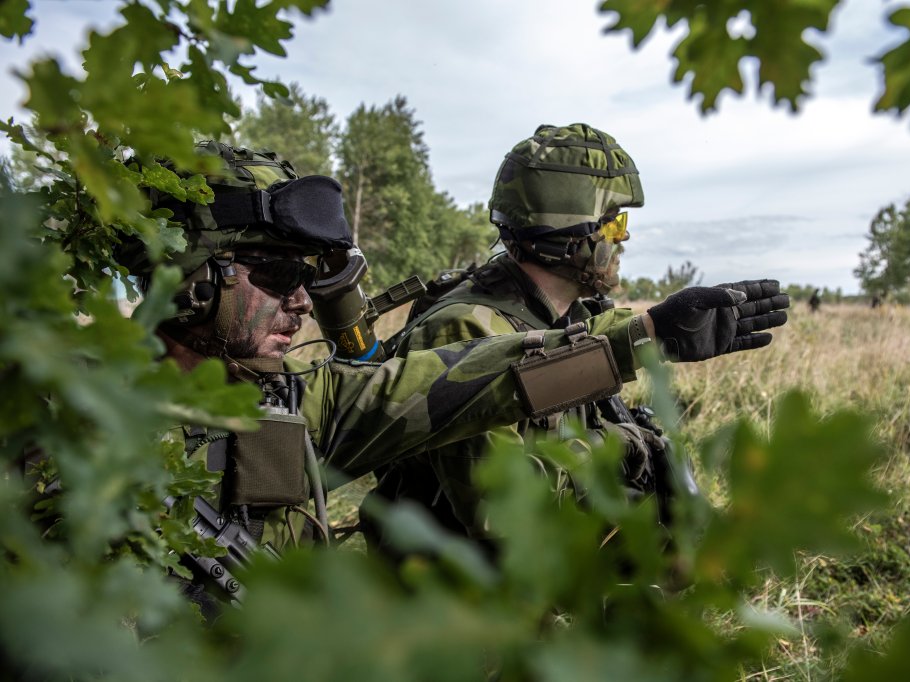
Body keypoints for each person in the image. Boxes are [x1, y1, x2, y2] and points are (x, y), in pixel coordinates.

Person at [119, 140, 788, 609]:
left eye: (309, 278)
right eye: (278, 274)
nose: (301, 301)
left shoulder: (297, 402)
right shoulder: (71, 434)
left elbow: (476, 381)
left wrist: (644, 337)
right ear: (193, 276)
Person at [366, 123, 790, 554]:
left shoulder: (567, 316)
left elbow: (611, 351)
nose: (623, 238)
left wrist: (662, 333)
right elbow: (502, 511)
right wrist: (616, 445)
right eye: (613, 224)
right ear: (570, 235)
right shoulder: (466, 328)